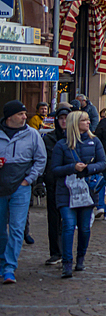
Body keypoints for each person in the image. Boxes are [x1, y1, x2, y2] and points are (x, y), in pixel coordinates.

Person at [51, 110, 106, 278]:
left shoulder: (94, 141)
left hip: (87, 191)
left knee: (84, 228)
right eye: (84, 120)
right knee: (68, 225)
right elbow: (54, 169)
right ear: (75, 123)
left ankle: (80, 258)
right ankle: (67, 262)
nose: (88, 122)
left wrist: (89, 169)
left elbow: (103, 163)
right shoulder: (62, 145)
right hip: (67, 192)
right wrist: (72, 168)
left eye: (88, 120)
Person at [0, 100, 47, 283]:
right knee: (0, 230)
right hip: (1, 187)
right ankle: (2, 263)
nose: (24, 117)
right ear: (10, 116)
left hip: (20, 187)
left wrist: (28, 180)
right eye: (20, 114)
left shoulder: (32, 134)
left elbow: (40, 159)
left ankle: (10, 267)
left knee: (17, 228)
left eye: (25, 113)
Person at [41, 105, 71, 265]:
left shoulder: (76, 138)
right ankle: (55, 252)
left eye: (66, 118)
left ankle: (68, 252)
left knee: (69, 220)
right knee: (53, 219)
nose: (64, 121)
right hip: (53, 184)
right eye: (61, 118)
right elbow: (43, 161)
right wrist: (41, 181)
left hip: (72, 185)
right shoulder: (49, 139)